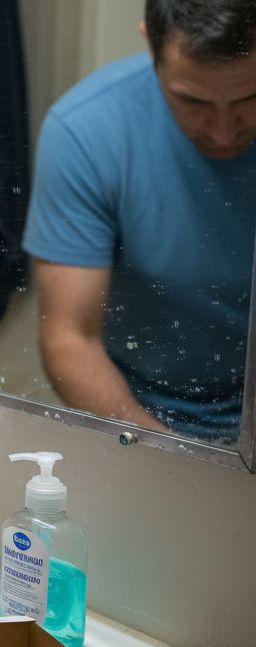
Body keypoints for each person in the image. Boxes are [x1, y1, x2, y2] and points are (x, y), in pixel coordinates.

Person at [24, 0, 256, 442]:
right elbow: (71, 339)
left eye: (250, 97)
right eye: (193, 100)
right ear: (151, 47)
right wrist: (169, 461)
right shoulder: (85, 132)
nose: (223, 131)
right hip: (140, 415)